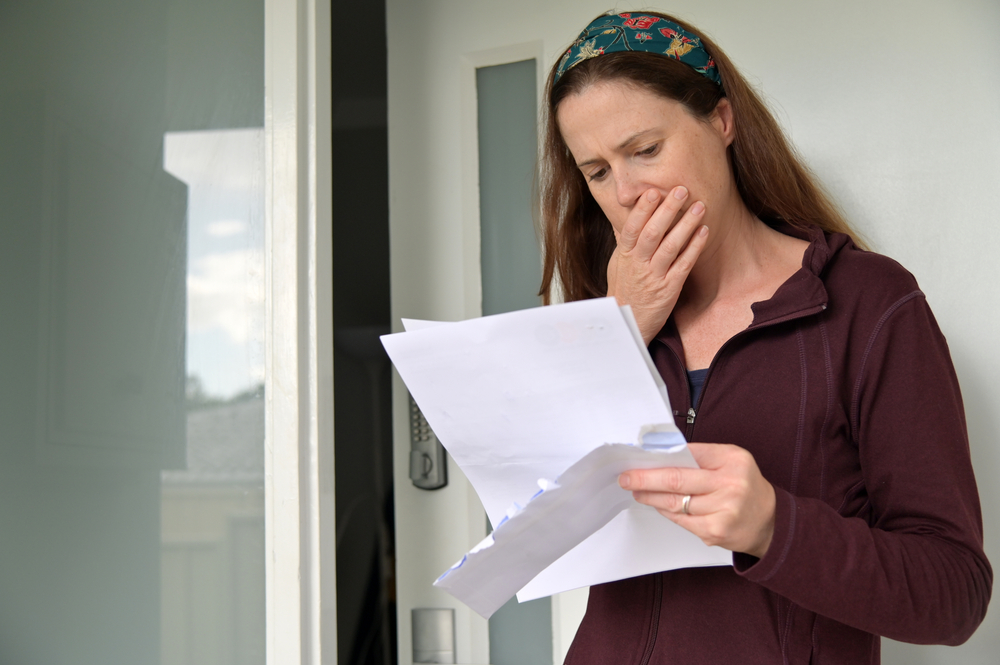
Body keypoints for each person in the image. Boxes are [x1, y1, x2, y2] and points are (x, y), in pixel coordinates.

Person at [538, 10, 992, 664]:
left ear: (722, 121)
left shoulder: (869, 303)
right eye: (598, 171)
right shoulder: (600, 317)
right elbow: (541, 530)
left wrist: (774, 526)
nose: (628, 193)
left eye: (644, 150)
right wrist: (618, 328)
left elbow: (955, 593)